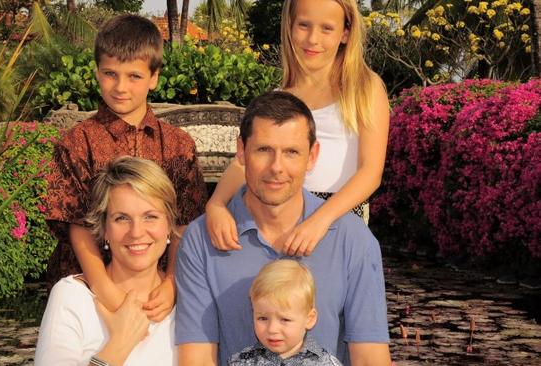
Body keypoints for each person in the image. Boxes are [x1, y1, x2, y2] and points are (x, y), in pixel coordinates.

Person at [175, 91, 390, 366]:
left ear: (312, 156)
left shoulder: (352, 239)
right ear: (241, 151)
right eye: (264, 150)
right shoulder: (201, 240)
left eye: (291, 152)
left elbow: (370, 358)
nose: (277, 167)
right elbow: (197, 359)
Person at [44, 14, 208, 322]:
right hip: (88, 290)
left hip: (157, 290)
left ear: (154, 76)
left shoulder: (177, 145)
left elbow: (185, 223)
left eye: (134, 76)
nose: (121, 87)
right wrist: (106, 291)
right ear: (97, 73)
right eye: (110, 74)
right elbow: (76, 226)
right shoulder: (77, 142)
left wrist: (173, 282)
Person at [205, 0, 390, 257]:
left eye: (327, 28)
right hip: (277, 215)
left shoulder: (364, 88)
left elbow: (370, 172)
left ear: (345, 33)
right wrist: (216, 205)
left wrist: (319, 221)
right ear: (289, 27)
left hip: (337, 216)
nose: (313, 39)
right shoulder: (280, 97)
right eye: (304, 25)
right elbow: (245, 161)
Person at [36, 156, 179, 366]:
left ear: (169, 225)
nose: (136, 232)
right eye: (122, 218)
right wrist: (120, 343)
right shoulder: (72, 297)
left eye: (150, 216)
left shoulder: (189, 298)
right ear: (104, 229)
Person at [228, 259, 342, 366]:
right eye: (263, 318)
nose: (272, 329)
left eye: (285, 319)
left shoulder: (327, 363)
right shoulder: (240, 362)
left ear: (309, 319)